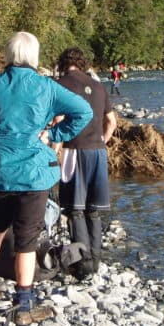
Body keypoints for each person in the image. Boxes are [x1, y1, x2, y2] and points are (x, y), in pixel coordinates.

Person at [0, 32, 93, 326]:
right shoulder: (47, 86)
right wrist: (54, 134)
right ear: (34, 56)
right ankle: (24, 302)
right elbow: (84, 111)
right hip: (34, 175)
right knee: (27, 240)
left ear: (8, 54)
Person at [56, 48, 117, 280]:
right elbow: (111, 121)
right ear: (83, 64)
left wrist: (54, 150)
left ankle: (83, 264)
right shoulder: (99, 86)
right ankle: (97, 260)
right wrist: (102, 140)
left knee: (75, 209)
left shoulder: (60, 84)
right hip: (98, 151)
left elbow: (58, 120)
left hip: (74, 150)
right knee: (94, 210)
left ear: (63, 63)